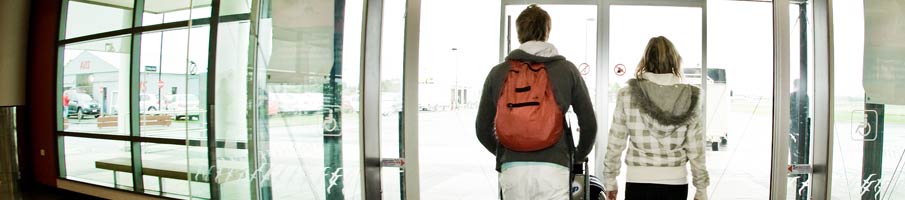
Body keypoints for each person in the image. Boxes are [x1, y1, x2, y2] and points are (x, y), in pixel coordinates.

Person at [475, 4, 597, 200]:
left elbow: (482, 129)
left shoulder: (498, 72)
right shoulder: (566, 70)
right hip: (554, 169)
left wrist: (505, 152)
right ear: (546, 31)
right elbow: (589, 124)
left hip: (512, 170)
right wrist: (577, 156)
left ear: (519, 32)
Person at [603, 36, 709, 200]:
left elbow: (616, 142)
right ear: (675, 61)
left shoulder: (627, 94)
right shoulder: (689, 96)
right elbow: (696, 149)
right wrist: (701, 188)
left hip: (638, 180)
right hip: (676, 182)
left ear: (645, 60)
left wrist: (610, 180)